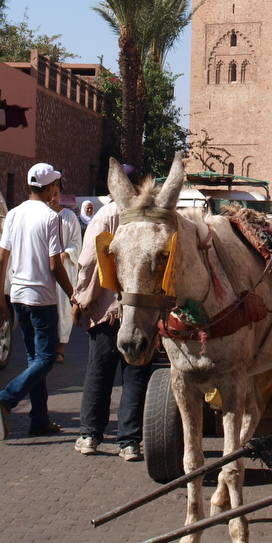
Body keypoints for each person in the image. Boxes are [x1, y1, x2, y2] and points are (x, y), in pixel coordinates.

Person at [71, 165, 152, 461]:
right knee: (135, 374)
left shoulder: (105, 216)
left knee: (100, 373)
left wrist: (80, 301)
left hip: (108, 312)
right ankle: (129, 441)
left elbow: (89, 262)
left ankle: (90, 434)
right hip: (139, 313)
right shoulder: (147, 217)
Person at [0, 162, 74, 440]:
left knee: (33, 360)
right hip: (42, 299)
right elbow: (54, 266)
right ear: (49, 188)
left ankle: (39, 419)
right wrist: (73, 294)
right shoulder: (51, 218)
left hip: (18, 297)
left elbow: (2, 259)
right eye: (55, 185)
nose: (56, 190)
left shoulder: (13, 214)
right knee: (47, 360)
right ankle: (7, 398)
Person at [44, 178, 81, 364]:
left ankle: (60, 347)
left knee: (63, 308)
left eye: (56, 194)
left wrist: (66, 254)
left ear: (60, 196)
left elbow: (76, 242)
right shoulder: (42, 215)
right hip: (44, 269)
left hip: (64, 267)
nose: (53, 198)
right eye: (51, 194)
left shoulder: (69, 217)